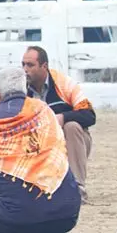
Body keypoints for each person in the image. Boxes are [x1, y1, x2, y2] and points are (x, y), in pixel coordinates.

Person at [0, 66, 81, 233]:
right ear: (26, 90)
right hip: (68, 212)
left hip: (19, 218)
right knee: (51, 194)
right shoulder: (45, 112)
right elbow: (61, 156)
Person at [23, 46, 96, 202]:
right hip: (40, 146)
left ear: (44, 66)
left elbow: (90, 115)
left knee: (72, 126)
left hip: (71, 144)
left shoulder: (65, 84)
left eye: (30, 65)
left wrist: (63, 117)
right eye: (23, 64)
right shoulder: (21, 90)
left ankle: (78, 188)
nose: (25, 69)